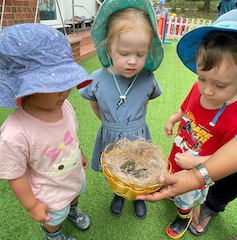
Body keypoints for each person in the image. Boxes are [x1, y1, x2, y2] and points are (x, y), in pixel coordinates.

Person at [136, 9, 237, 239]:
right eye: (202, 78)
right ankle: (174, 193)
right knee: (171, 177)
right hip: (180, 151)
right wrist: (172, 119)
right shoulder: (198, 90)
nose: (207, 90)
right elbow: (185, 108)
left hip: (198, 167)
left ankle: (183, 217)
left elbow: (227, 156)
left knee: (186, 197)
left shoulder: (236, 120)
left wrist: (195, 163)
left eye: (219, 85)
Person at [0, 23, 93, 240]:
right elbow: (15, 173)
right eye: (53, 85)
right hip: (49, 193)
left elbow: (71, 135)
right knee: (53, 218)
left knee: (76, 193)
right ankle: (54, 235)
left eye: (66, 81)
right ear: (25, 87)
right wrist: (32, 206)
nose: (65, 91)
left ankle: (73, 209)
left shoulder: (65, 107)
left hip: (72, 175)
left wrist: (78, 153)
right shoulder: (15, 133)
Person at [79, 0, 164, 220]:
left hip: (138, 133)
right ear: (110, 48)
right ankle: (119, 193)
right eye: (124, 53)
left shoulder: (146, 77)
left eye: (140, 53)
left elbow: (145, 100)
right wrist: (110, 123)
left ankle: (138, 196)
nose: (132, 61)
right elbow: (95, 102)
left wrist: (133, 122)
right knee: (116, 168)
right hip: (110, 133)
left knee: (139, 167)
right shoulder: (97, 78)